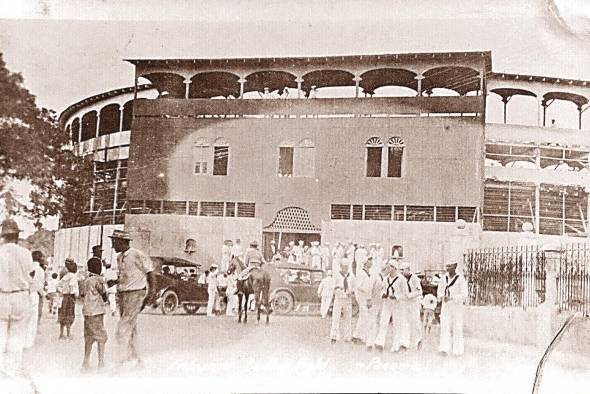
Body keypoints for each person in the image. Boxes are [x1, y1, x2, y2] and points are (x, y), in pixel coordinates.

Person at [109, 230, 156, 367]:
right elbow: (126, 275)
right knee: (131, 326)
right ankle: (135, 358)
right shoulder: (120, 258)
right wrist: (115, 282)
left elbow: (150, 273)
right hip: (123, 294)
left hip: (136, 293)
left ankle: (120, 358)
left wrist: (151, 293)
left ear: (123, 242)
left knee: (123, 326)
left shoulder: (138, 255)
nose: (113, 246)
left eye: (114, 242)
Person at [0, 219, 35, 376]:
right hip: (20, 295)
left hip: (2, 296)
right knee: (17, 334)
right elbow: (31, 274)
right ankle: (12, 370)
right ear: (16, 235)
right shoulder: (25, 253)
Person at [374, 260, 409, 352]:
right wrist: (383, 294)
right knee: (383, 322)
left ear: (394, 268)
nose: (387, 269)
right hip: (387, 303)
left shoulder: (401, 279)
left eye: (389, 267)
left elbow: (406, 294)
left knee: (397, 324)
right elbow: (382, 289)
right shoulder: (386, 279)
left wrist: (397, 296)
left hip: (397, 304)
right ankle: (380, 343)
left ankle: (396, 345)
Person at [80, 257, 108, 370]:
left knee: (88, 337)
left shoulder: (86, 280)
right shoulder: (98, 280)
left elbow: (82, 294)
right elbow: (104, 293)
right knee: (101, 337)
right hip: (97, 311)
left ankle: (85, 362)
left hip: (87, 312)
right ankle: (101, 362)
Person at [437, 260, 468, 356]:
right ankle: (444, 348)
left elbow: (464, 294)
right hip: (446, 306)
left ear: (455, 267)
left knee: (457, 327)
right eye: (446, 266)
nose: (447, 268)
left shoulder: (460, 279)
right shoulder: (443, 278)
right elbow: (439, 291)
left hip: (456, 306)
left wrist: (453, 298)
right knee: (444, 326)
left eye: (449, 266)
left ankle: (458, 350)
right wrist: (442, 297)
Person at [329, 259, 355, 344]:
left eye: (347, 267)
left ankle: (347, 336)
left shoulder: (351, 276)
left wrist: (351, 292)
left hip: (348, 298)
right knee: (336, 317)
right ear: (341, 267)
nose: (345, 268)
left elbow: (354, 286)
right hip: (339, 298)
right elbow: (333, 287)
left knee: (348, 317)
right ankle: (334, 336)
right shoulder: (337, 275)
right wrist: (340, 291)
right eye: (344, 266)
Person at [400, 261, 423, 350]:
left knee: (415, 323)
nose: (401, 272)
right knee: (405, 322)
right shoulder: (401, 279)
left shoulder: (415, 279)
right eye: (400, 270)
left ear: (408, 270)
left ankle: (418, 340)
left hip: (414, 303)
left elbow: (419, 291)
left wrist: (410, 295)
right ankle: (404, 343)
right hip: (405, 303)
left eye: (403, 270)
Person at [352, 257, 373, 345]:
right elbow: (359, 286)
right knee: (364, 316)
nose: (371, 262)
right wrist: (367, 290)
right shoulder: (361, 273)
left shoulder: (369, 273)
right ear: (365, 263)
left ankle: (359, 336)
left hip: (367, 297)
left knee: (364, 317)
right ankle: (357, 336)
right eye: (369, 261)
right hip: (362, 297)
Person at [57, 258, 78, 340]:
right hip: (70, 297)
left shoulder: (65, 276)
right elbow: (72, 285)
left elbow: (58, 285)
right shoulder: (73, 276)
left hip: (65, 297)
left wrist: (62, 291)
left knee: (63, 314)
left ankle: (61, 334)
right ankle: (68, 334)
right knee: (69, 314)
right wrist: (74, 293)